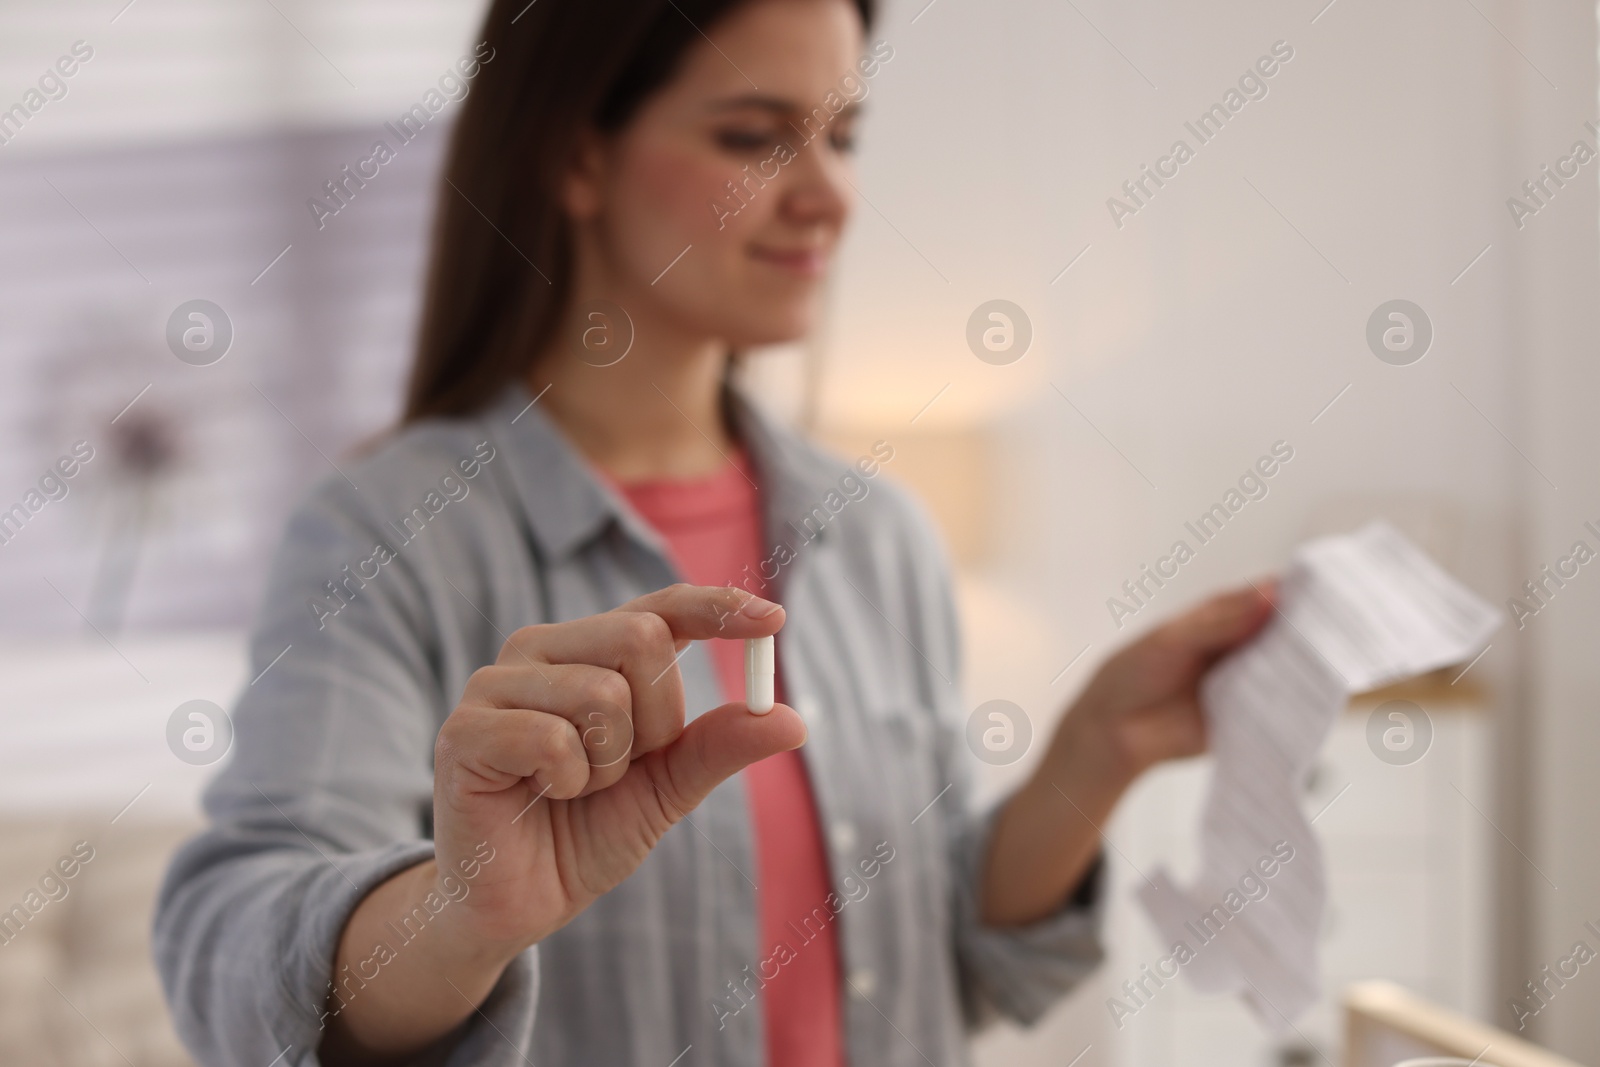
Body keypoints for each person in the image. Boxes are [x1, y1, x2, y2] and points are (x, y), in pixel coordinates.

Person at [154, 0, 1274, 1064]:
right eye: (755, 136)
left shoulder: (876, 533)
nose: (830, 195)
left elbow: (941, 961)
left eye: (844, 136)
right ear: (574, 156)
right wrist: (459, 915)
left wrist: (1098, 748)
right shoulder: (390, 534)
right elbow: (233, 944)